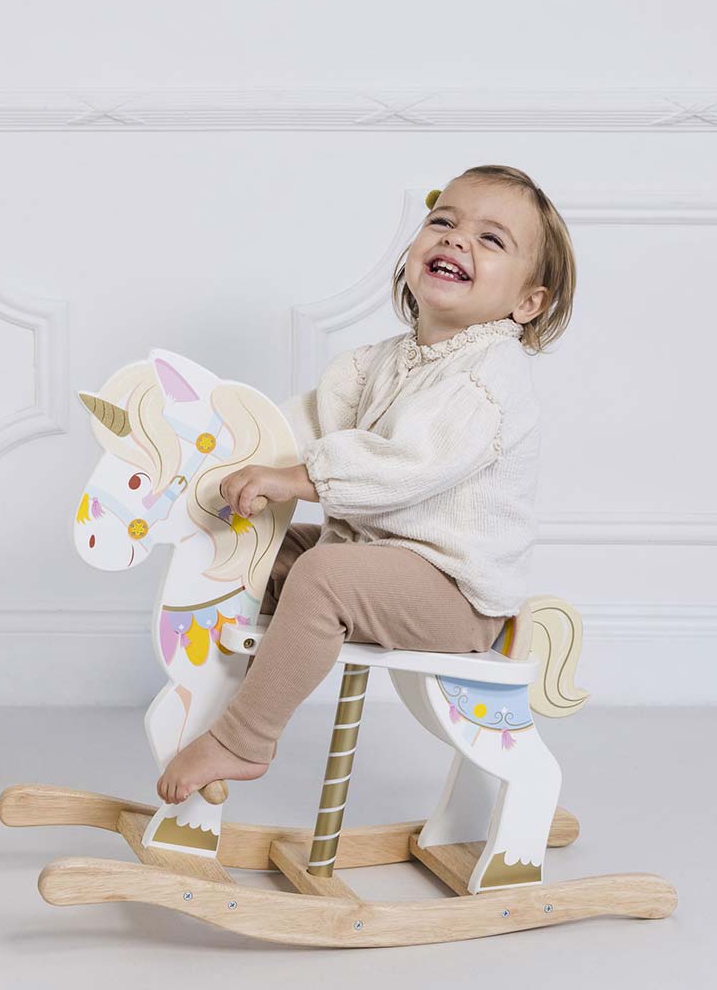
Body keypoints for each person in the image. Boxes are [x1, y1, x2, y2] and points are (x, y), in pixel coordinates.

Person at [156, 163, 576, 805]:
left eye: (491, 239)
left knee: (323, 578)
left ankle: (245, 740)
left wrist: (294, 479)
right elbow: (300, 424)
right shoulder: (380, 361)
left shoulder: (486, 379)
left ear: (528, 302)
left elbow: (404, 463)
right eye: (443, 220)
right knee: (255, 544)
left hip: (454, 590)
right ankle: (208, 696)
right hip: (376, 554)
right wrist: (228, 451)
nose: (456, 238)